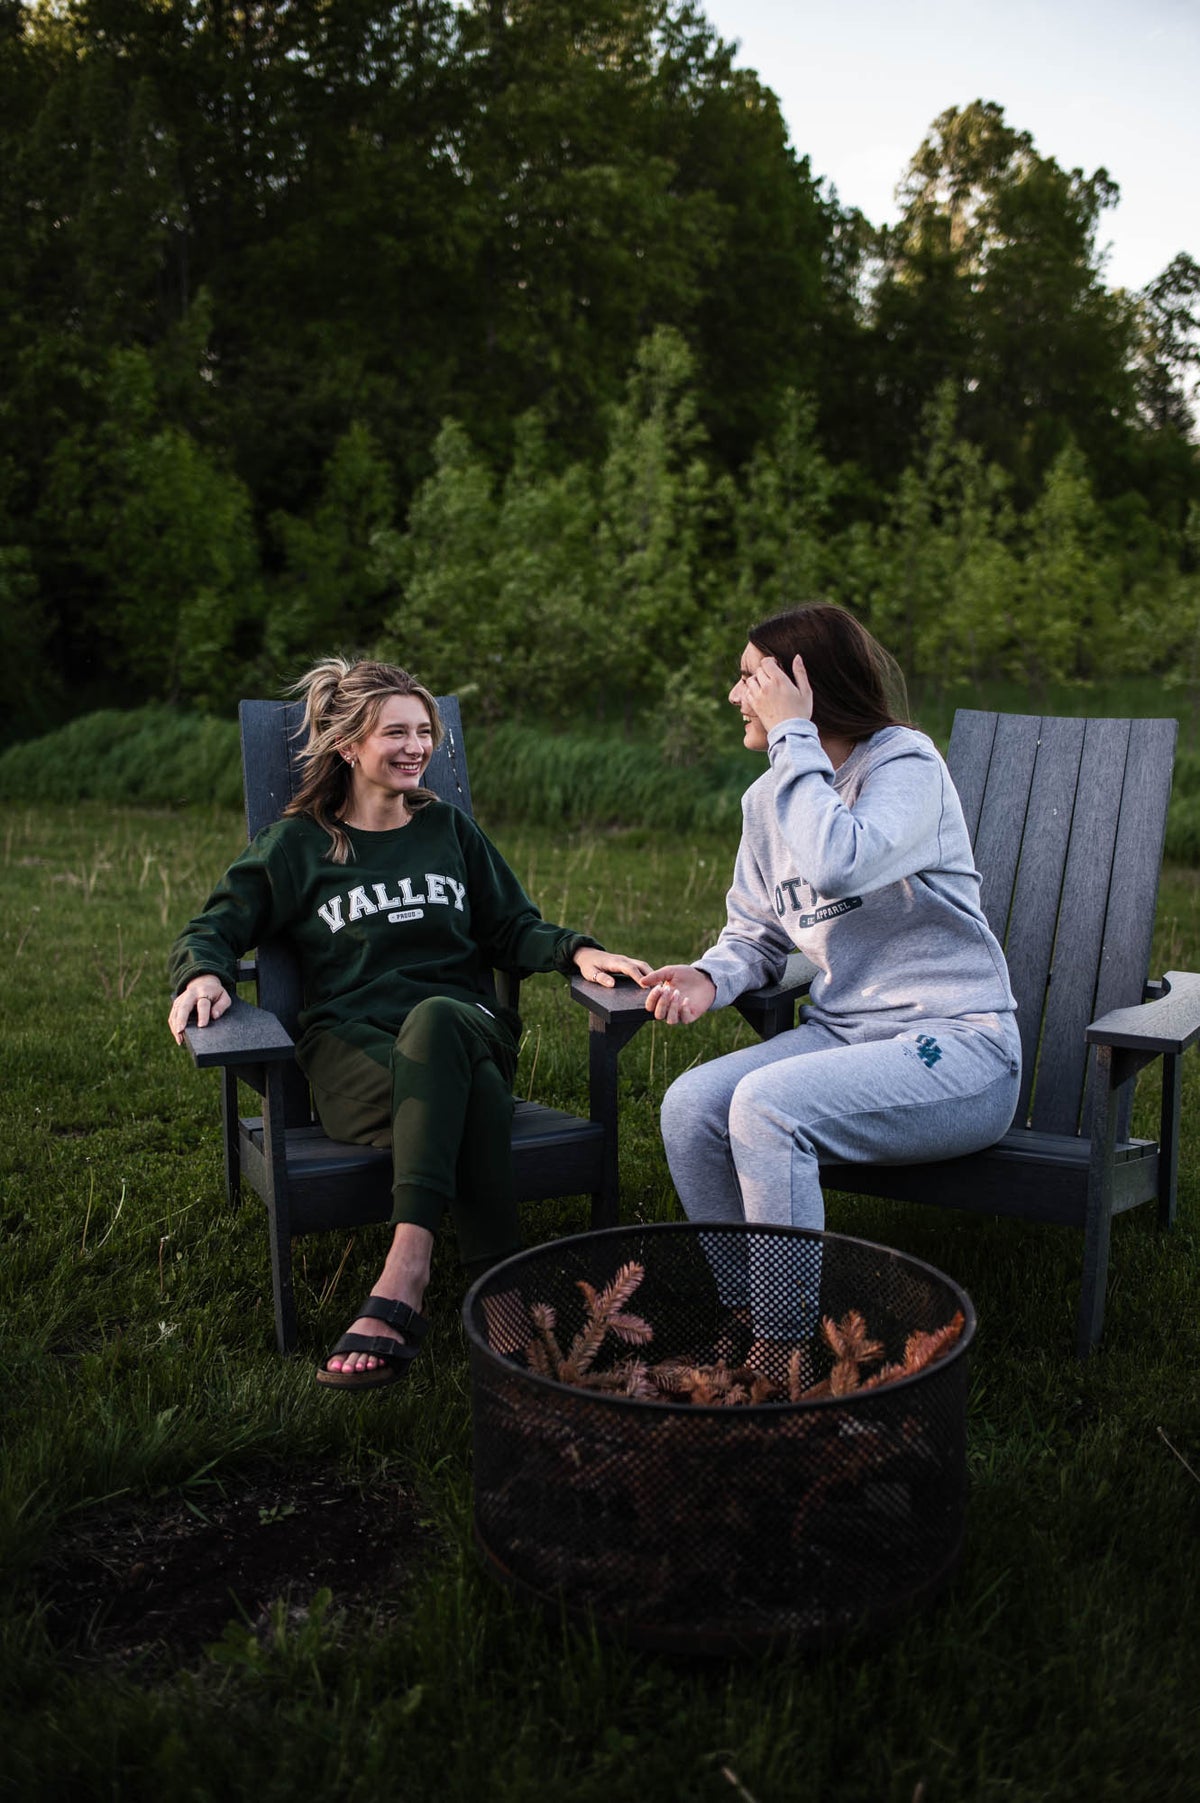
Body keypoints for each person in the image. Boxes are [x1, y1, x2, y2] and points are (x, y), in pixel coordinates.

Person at [169, 657, 650, 1390]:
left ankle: (406, 1270)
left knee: (439, 1020)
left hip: (466, 1022)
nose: (417, 746)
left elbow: (512, 925)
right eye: (395, 731)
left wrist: (575, 950)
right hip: (352, 1051)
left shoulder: (448, 830)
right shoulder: (296, 846)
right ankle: (503, 1293)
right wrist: (202, 970)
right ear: (348, 745)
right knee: (475, 1093)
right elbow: (214, 926)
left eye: (425, 731)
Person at [639, 605, 1021, 1359]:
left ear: (800, 687)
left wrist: (792, 736)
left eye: (750, 677)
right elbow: (757, 931)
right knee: (690, 1107)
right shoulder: (769, 799)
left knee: (769, 1107)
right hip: (843, 1037)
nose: (733, 695)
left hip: (958, 1047)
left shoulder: (905, 765)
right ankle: (749, 1316)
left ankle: (784, 1351)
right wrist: (710, 977)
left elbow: (841, 860)